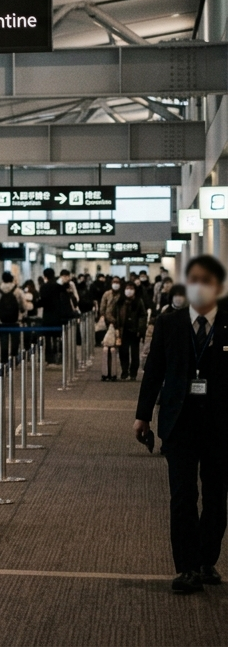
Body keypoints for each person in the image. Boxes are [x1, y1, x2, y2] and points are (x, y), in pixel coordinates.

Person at [135, 255, 228, 594]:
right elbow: (154, 372)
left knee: (217, 498)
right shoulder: (169, 324)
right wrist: (142, 414)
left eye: (208, 281)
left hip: (220, 426)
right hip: (179, 423)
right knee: (183, 497)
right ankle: (186, 567)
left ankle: (207, 561)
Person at [113, 279, 149, 381]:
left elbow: (143, 315)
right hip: (122, 330)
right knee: (123, 352)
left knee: (134, 353)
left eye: (131, 288)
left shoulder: (138, 301)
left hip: (135, 331)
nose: (129, 290)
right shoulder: (120, 301)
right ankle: (124, 371)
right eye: (127, 288)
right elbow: (115, 314)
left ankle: (133, 373)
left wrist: (140, 329)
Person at [39, 268, 74, 364]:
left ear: (45, 276)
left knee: (47, 337)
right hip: (57, 315)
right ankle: (58, 356)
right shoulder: (59, 287)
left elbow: (42, 301)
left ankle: (48, 357)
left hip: (47, 315)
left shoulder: (43, 287)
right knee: (57, 336)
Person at [0, 271, 24, 364]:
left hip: (1, 320)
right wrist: (22, 311)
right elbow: (22, 305)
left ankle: (4, 360)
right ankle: (14, 359)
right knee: (15, 340)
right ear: (11, 279)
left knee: (3, 341)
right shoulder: (17, 290)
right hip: (15, 320)